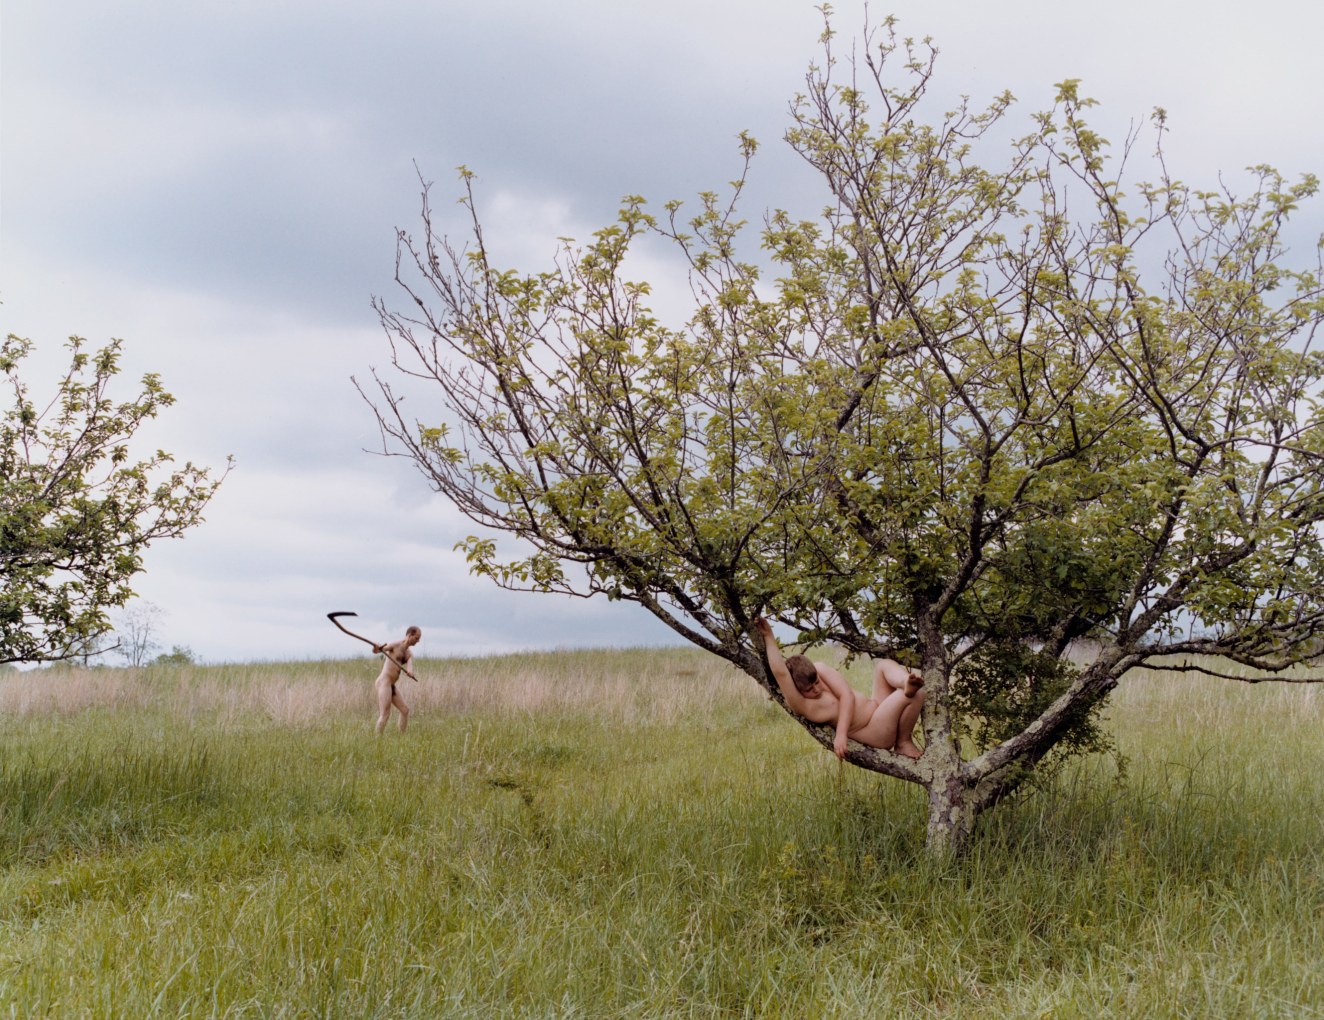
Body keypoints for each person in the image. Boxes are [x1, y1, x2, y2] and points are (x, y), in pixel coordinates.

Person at [753, 617, 925, 759]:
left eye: (817, 682)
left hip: (877, 706)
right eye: (809, 690)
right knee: (915, 694)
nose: (816, 689)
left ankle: (904, 681)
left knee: (883, 665)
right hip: (875, 731)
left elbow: (846, 695)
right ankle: (903, 742)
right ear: (798, 691)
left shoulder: (819, 668)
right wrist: (769, 635)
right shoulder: (802, 704)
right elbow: (780, 673)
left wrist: (841, 733)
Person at [372, 626, 421, 735]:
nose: (418, 641)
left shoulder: (408, 653)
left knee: (405, 710)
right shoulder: (395, 645)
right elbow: (378, 650)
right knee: (385, 714)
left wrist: (410, 672)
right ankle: (376, 740)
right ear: (409, 635)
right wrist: (376, 647)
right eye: (417, 638)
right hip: (384, 682)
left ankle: (401, 738)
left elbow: (409, 664)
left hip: (391, 685)